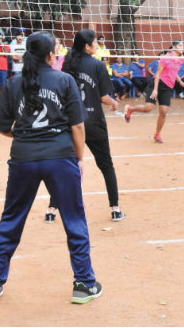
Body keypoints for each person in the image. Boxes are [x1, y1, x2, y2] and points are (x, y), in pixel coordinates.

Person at [0, 31, 101, 305]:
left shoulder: (13, 84)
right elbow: (78, 125)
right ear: (50, 55)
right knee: (73, 217)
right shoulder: (64, 80)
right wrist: (80, 158)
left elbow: (1, 126)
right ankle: (84, 283)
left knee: (11, 217)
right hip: (60, 157)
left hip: (23, 158)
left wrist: (26, 138)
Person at [55, 29, 125, 222]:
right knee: (106, 166)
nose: (97, 45)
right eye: (95, 42)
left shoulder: (68, 63)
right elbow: (104, 97)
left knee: (66, 165)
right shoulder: (97, 65)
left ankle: (52, 210)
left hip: (72, 121)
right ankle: (116, 209)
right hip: (93, 122)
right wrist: (114, 103)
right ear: (87, 46)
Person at [124, 41, 184, 143]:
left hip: (168, 87)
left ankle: (157, 134)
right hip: (157, 83)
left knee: (163, 111)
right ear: (174, 47)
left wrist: (181, 82)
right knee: (148, 108)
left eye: (182, 45)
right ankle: (130, 109)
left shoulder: (181, 59)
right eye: (180, 45)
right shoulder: (166, 58)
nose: (182, 47)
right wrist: (155, 89)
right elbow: (158, 74)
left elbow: (174, 71)